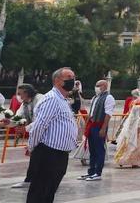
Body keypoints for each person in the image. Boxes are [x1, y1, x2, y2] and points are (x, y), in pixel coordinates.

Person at [26, 67, 79, 203]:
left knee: (49, 191)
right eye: (68, 78)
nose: (72, 81)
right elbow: (40, 126)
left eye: (73, 78)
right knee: (40, 191)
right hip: (48, 152)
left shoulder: (63, 99)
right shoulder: (52, 99)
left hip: (59, 154)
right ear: (57, 80)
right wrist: (32, 146)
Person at [79, 79, 114, 182]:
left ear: (104, 86)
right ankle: (91, 171)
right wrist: (87, 124)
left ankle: (98, 172)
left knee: (99, 150)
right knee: (92, 150)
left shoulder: (108, 98)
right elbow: (91, 113)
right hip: (92, 125)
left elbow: (108, 114)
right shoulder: (95, 98)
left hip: (99, 126)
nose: (96, 87)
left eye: (98, 85)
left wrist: (103, 128)